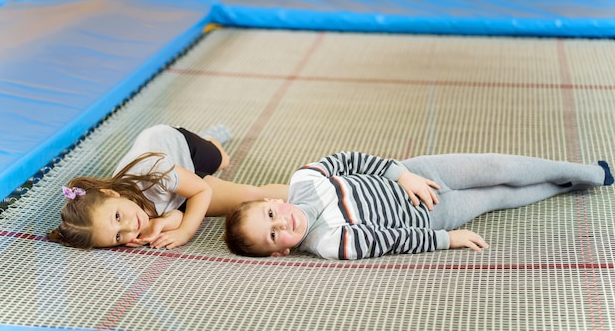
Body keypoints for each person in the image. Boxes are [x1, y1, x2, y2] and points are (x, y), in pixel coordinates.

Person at [224, 151, 613, 260]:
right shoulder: (330, 243)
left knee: (498, 166)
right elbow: (391, 239)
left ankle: (588, 172)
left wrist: (402, 175)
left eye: (271, 214)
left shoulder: (303, 181)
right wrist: (447, 237)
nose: (281, 224)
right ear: (283, 249)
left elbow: (350, 160)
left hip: (420, 174)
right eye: (273, 236)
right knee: (500, 197)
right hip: (432, 215)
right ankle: (564, 187)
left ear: (272, 200)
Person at [47, 124, 287, 250]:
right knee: (250, 197)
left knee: (223, 161)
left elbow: (202, 191)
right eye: (118, 237)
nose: (130, 227)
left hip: (182, 149)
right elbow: (174, 213)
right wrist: (161, 224)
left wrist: (185, 233)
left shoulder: (151, 169)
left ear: (111, 193)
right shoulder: (133, 226)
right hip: (175, 191)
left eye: (118, 216)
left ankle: (210, 138)